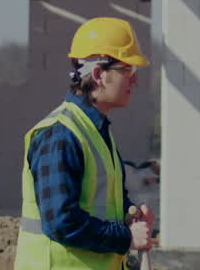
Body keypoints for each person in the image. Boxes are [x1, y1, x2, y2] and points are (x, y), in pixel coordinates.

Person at [15, 17, 156, 270]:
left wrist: (130, 215)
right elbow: (61, 222)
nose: (134, 80)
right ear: (99, 74)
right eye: (127, 70)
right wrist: (126, 238)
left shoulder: (95, 130)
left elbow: (104, 202)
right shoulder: (59, 135)